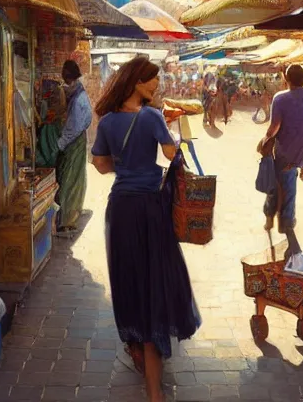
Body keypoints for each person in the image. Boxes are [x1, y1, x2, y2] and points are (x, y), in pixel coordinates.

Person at [91, 56, 200, 402]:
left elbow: (100, 164)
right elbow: (172, 155)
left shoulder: (107, 122)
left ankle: (137, 345)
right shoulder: (152, 117)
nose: (156, 84)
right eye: (152, 79)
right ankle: (154, 389)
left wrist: (126, 166)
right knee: (154, 284)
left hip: (120, 210)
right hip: (150, 211)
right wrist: (175, 134)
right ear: (138, 82)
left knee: (129, 280)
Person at [261, 64, 303, 258]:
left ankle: (274, 218)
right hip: (301, 151)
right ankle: (284, 221)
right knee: (288, 185)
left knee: (277, 185)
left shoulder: (280, 98)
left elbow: (275, 125)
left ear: (287, 78)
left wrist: (265, 140)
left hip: (284, 150)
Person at [55, 60, 92, 235]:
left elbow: (73, 127)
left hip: (74, 141)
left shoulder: (79, 98)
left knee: (70, 180)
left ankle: (67, 221)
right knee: (75, 178)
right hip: (76, 140)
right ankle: (69, 217)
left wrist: (59, 144)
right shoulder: (77, 93)